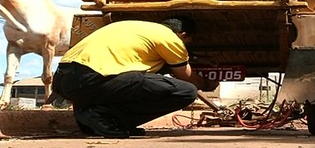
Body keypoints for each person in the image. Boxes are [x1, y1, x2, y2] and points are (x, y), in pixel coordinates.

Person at [49, 16, 219, 138]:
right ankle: (103, 116)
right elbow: (187, 78)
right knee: (186, 91)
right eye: (187, 42)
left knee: (145, 80)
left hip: (64, 80)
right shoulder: (170, 38)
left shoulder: (131, 27)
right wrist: (206, 83)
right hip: (90, 79)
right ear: (182, 35)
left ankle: (97, 121)